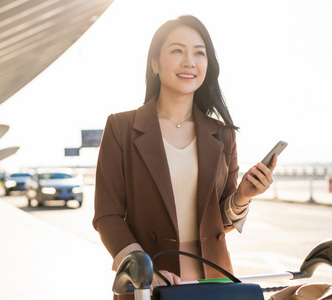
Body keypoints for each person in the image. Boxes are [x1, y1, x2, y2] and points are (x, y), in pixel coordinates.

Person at [92, 15, 277, 299]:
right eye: (177, 50)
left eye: (199, 53)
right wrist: (143, 269)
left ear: (207, 65)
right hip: (151, 284)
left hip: (215, 283)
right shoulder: (121, 128)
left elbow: (221, 221)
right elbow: (107, 215)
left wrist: (242, 196)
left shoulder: (222, 135)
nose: (189, 61)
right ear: (155, 63)